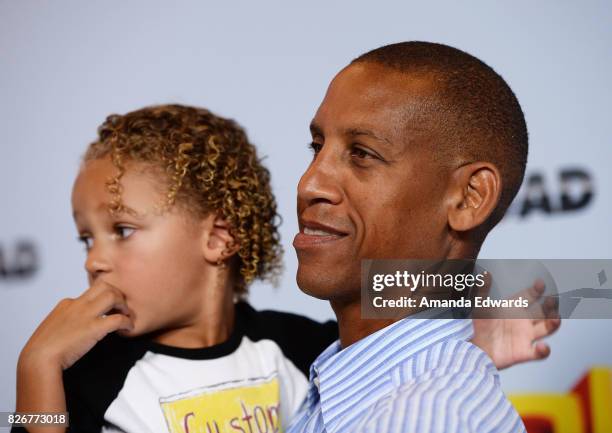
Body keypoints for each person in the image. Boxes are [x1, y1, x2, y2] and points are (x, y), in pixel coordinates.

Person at [14, 102, 556, 432]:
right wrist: (37, 369)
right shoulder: (90, 379)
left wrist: (473, 336)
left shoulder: (298, 349)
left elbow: (388, 361)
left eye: (122, 231)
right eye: (86, 238)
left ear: (218, 236)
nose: (93, 261)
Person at [288, 41, 559, 433]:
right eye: (316, 147)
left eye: (362, 154)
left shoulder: (422, 417)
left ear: (470, 198)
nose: (309, 183)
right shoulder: (355, 390)